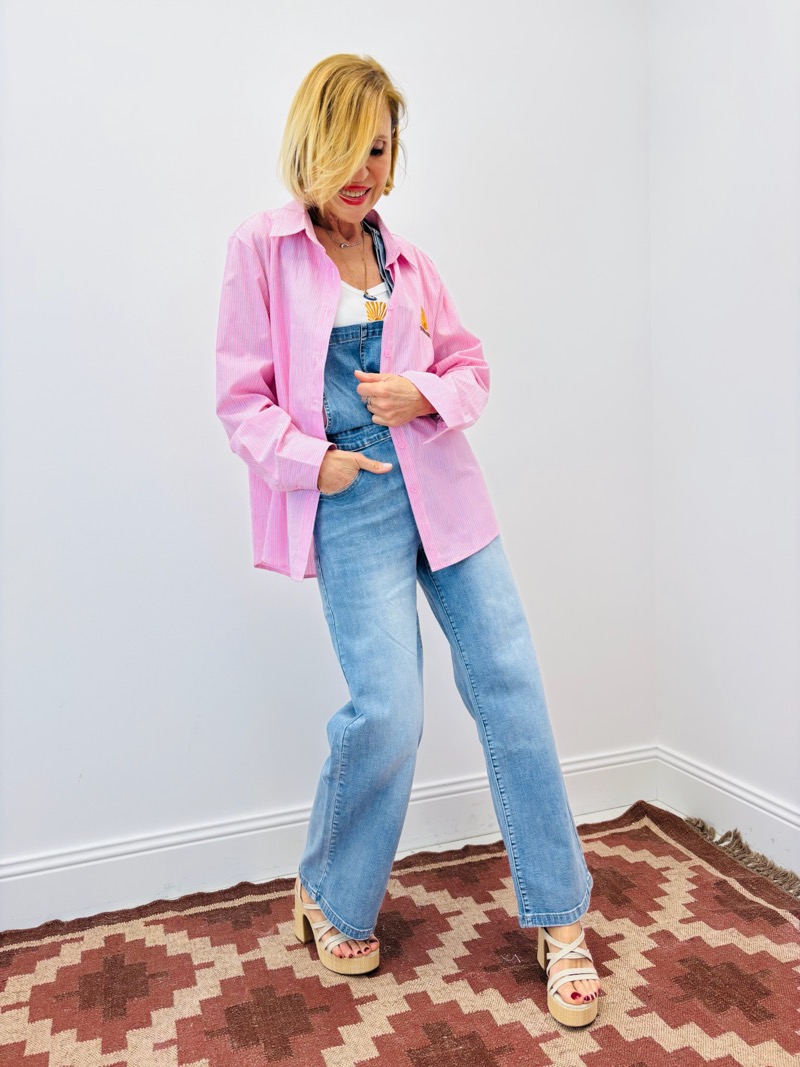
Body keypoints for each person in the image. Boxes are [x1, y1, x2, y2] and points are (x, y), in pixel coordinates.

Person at [215, 53, 601, 1027]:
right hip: (350, 496)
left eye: (381, 149)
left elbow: (471, 370)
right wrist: (316, 461)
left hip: (445, 489)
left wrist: (419, 393)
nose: (366, 169)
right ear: (313, 144)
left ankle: (560, 917)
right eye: (351, 146)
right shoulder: (261, 249)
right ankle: (328, 889)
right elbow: (240, 400)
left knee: (510, 680)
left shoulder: (411, 264)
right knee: (387, 709)